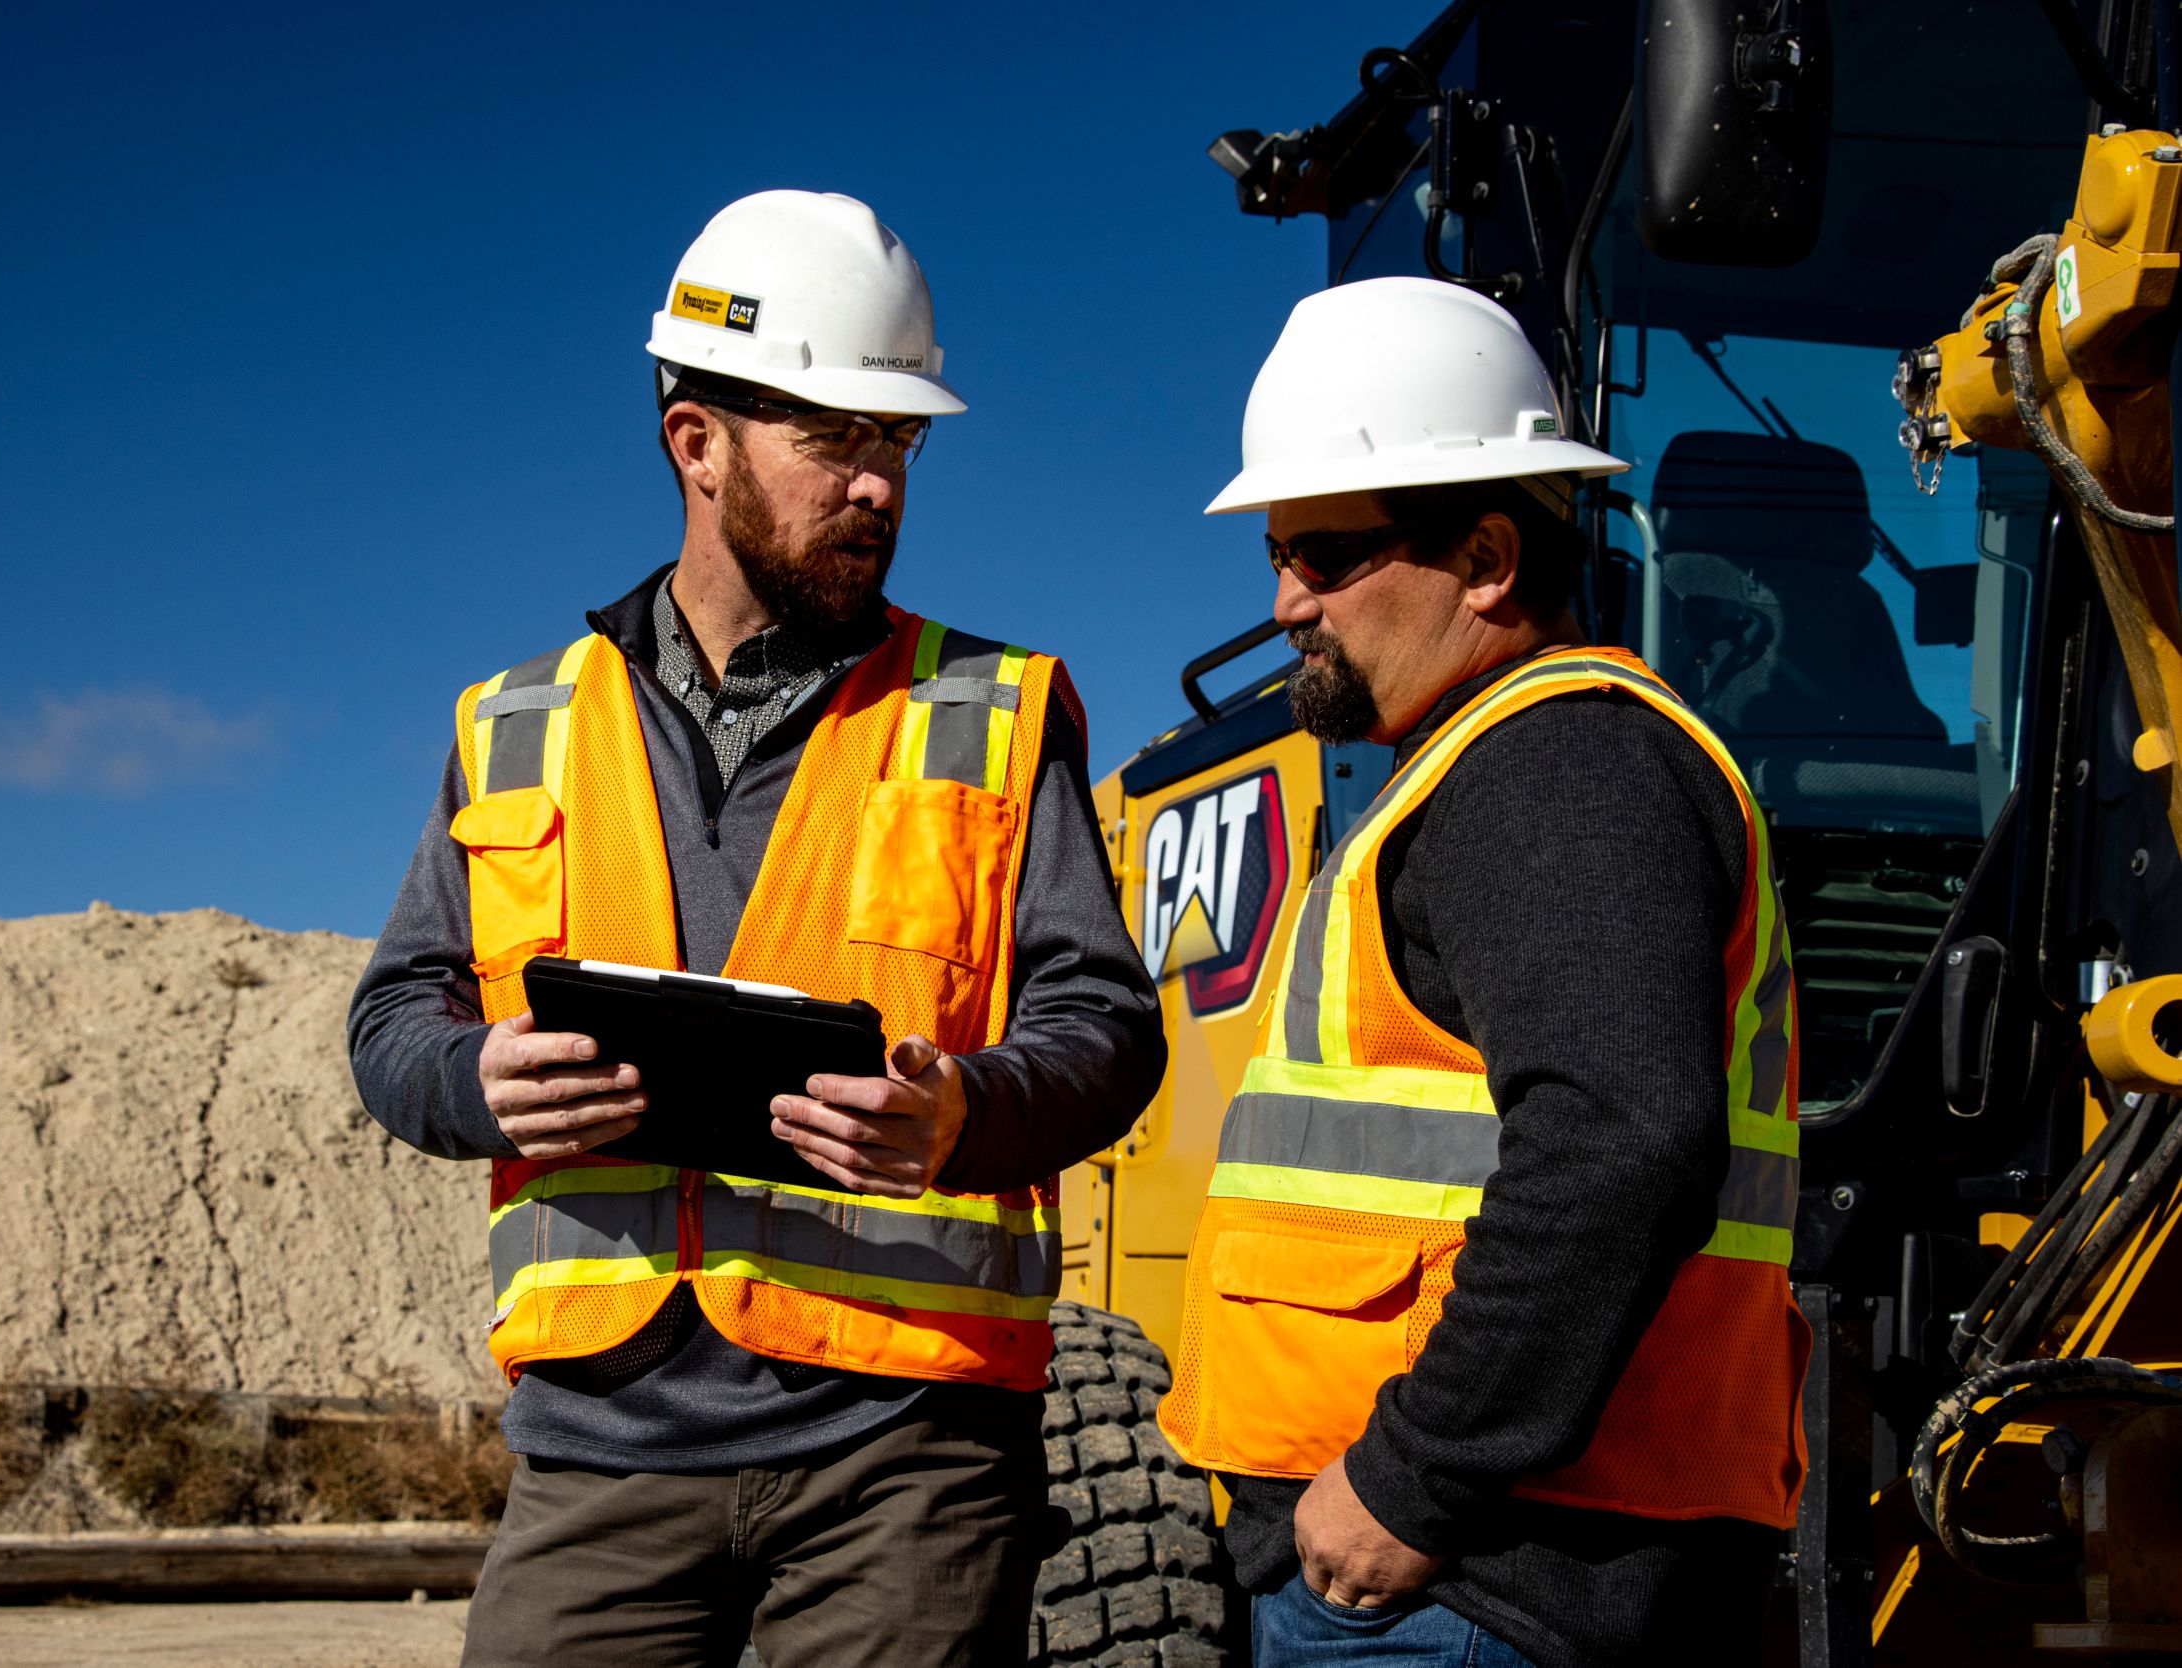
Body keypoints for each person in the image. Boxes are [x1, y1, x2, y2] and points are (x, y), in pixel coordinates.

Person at [348, 188, 1162, 1668]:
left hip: (902, 1456)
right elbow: (394, 1020)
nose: (878, 486)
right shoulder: (516, 724)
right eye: (834, 437)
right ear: (698, 443)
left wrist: (965, 1115)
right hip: (597, 1456)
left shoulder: (995, 712)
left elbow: (1108, 1032)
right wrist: (477, 1083)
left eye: (898, 442)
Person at [1157, 276, 1810, 1668]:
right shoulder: (1499, 769)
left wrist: (1415, 1477)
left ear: (1491, 557)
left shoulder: (1555, 767)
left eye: (1326, 556)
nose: (1285, 604)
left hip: (1475, 1588)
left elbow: (1624, 1140)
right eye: (1277, 556)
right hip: (1477, 1575)